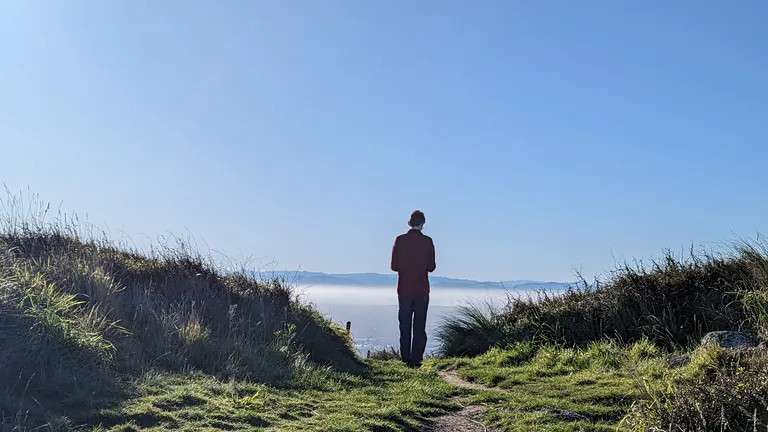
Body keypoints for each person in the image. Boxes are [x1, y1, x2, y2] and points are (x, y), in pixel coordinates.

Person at [390, 210, 436, 367]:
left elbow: (394, 266)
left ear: (409, 223)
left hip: (404, 289)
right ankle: (416, 359)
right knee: (419, 326)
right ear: (422, 224)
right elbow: (431, 267)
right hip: (422, 289)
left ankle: (405, 358)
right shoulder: (428, 242)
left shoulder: (400, 240)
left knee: (404, 325)